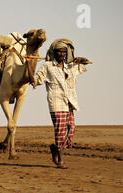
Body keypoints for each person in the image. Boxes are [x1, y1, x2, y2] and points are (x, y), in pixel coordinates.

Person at [31, 39, 91, 169]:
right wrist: (29, 72)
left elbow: (84, 65)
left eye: (64, 52)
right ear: (54, 52)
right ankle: (59, 159)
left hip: (69, 101)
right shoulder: (47, 66)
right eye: (60, 51)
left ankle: (55, 148)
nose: (62, 54)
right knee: (60, 130)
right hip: (56, 102)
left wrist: (80, 59)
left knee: (71, 127)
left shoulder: (69, 66)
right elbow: (37, 79)